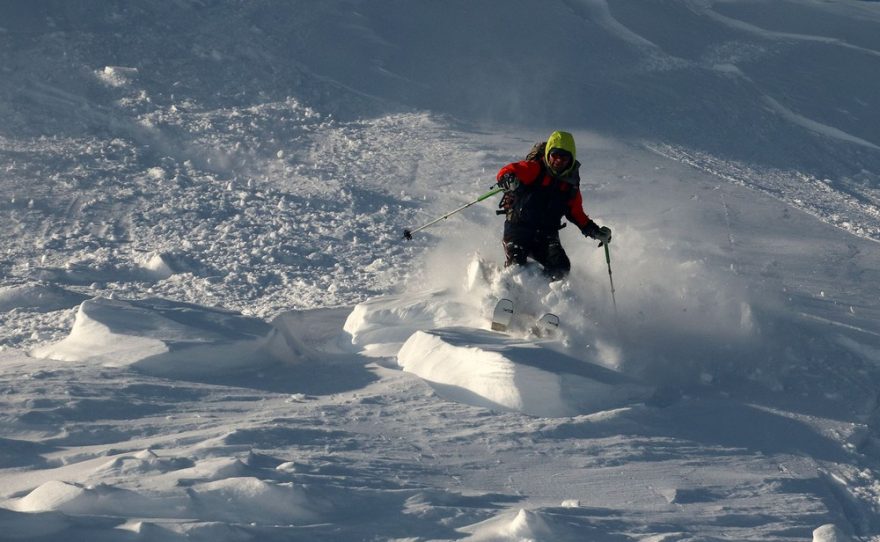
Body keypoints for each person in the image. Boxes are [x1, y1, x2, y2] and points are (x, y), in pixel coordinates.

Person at [495, 130, 611, 281]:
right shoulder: (535, 169)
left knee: (561, 268)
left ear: (571, 159)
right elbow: (510, 170)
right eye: (555, 155)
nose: (559, 160)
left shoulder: (570, 186)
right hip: (518, 228)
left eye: (564, 157)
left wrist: (595, 232)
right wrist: (508, 178)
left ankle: (544, 296)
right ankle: (506, 291)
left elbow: (577, 213)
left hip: (546, 235)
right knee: (516, 263)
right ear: (548, 153)